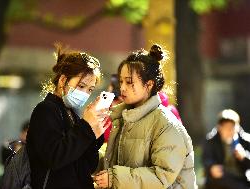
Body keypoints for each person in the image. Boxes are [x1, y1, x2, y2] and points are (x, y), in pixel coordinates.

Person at [94, 44, 197, 189]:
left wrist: (114, 178)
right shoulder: (121, 118)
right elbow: (114, 164)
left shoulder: (165, 124)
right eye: (121, 81)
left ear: (148, 85)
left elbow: (162, 176)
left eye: (129, 82)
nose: (122, 88)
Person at [26, 45, 110, 189]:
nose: (85, 94)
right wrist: (86, 127)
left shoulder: (73, 113)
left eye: (90, 89)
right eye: (81, 86)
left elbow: (87, 165)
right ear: (63, 80)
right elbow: (55, 158)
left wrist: (94, 133)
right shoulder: (46, 110)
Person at [202, 109, 250, 189]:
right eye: (227, 128)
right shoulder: (211, 140)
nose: (230, 131)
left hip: (242, 177)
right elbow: (206, 158)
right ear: (220, 128)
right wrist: (211, 167)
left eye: (233, 128)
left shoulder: (246, 140)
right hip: (222, 177)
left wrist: (244, 156)